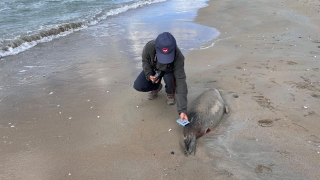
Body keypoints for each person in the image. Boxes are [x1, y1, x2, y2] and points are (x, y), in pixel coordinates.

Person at [133, 32, 188, 122]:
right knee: (139, 85)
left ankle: (170, 92)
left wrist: (182, 110)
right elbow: (145, 61)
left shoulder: (178, 56)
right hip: (154, 70)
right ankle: (156, 87)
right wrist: (149, 74)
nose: (165, 60)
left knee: (169, 78)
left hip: (169, 71)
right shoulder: (149, 47)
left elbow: (181, 81)